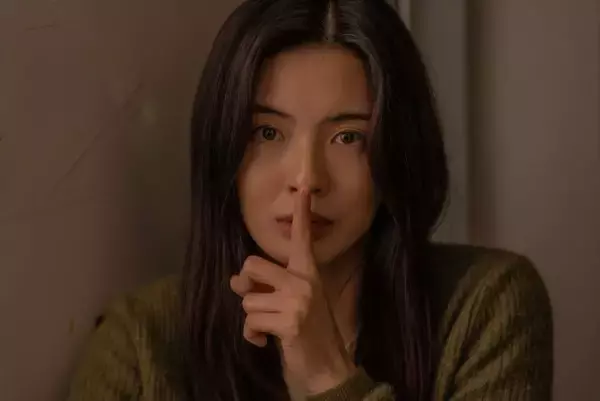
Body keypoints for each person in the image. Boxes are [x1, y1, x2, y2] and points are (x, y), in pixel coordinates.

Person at [66, 0, 553, 400]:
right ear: (223, 146)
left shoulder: (486, 307)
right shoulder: (140, 343)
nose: (306, 178)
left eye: (348, 137)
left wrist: (328, 378)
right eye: (268, 132)